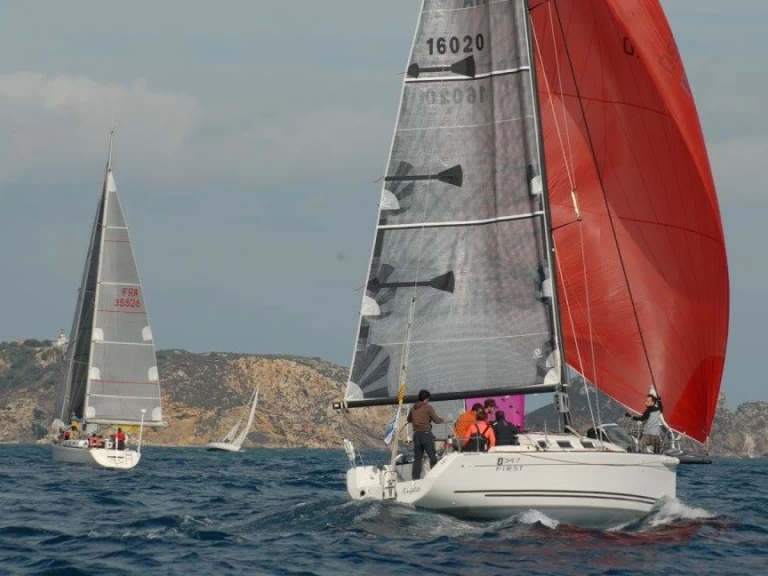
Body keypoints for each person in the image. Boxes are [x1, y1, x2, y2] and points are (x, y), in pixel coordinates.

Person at [407, 390, 444, 480]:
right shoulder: (428, 407)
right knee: (432, 457)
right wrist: (442, 419)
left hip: (416, 435)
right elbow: (436, 420)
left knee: (417, 459)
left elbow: (408, 419)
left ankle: (415, 478)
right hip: (426, 434)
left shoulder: (413, 408)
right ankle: (435, 476)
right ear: (426, 399)